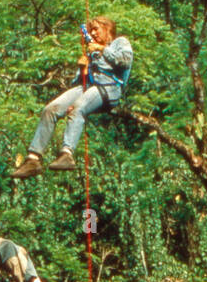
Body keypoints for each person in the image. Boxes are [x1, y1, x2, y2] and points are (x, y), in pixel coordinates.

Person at [12, 16, 133, 178]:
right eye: (91, 30)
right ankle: (33, 159)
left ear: (108, 28)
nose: (93, 33)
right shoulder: (91, 52)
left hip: (109, 88)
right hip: (88, 87)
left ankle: (67, 153)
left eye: (96, 29)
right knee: (51, 109)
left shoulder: (120, 42)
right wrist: (83, 68)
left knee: (78, 108)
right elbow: (77, 83)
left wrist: (101, 49)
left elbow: (124, 61)